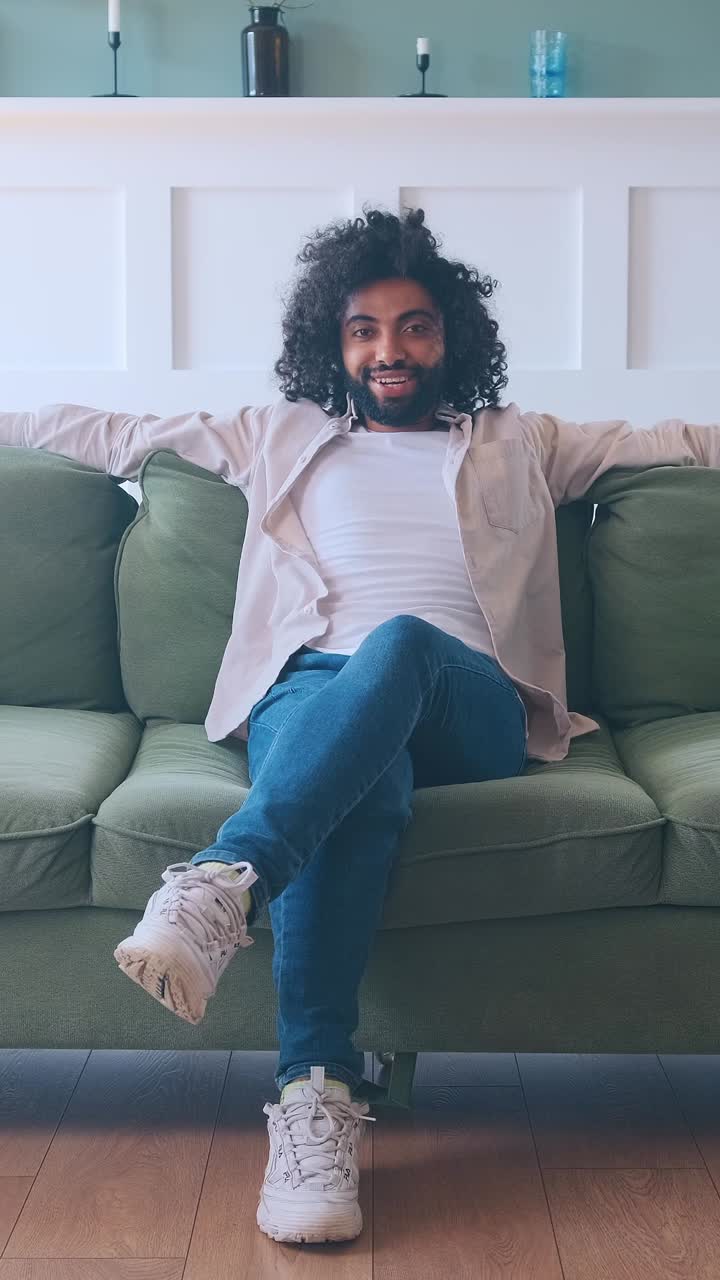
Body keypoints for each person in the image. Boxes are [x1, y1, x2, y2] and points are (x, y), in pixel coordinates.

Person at [2, 207, 719, 1246]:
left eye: (416, 326)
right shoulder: (279, 436)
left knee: (402, 643)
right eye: (366, 329)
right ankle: (315, 1102)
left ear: (451, 338)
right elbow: (110, 434)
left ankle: (227, 878)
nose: (391, 349)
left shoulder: (520, 441)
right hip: (308, 694)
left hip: (469, 702)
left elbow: (684, 441)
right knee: (353, 785)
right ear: (333, 343)